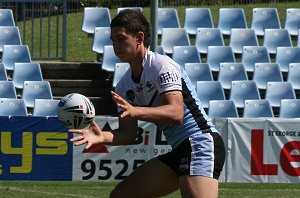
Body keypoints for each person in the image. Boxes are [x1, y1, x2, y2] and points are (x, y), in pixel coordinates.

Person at [69, 9, 226, 198]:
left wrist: (136, 111)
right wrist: (102, 136)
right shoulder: (123, 86)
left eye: (121, 39)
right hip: (180, 149)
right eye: (113, 40)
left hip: (201, 143)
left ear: (139, 38)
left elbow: (176, 113)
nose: (116, 45)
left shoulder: (161, 65)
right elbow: (128, 133)